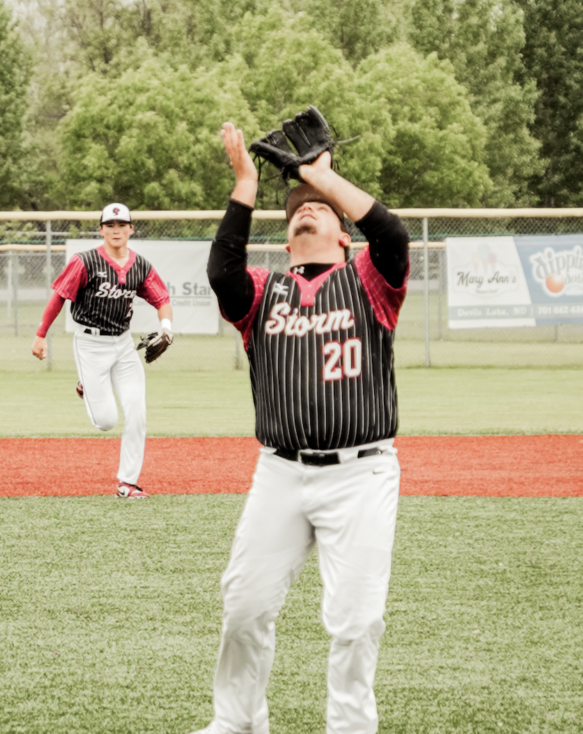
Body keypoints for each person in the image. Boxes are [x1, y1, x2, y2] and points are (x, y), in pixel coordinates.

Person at [193, 122, 409, 734]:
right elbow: (220, 271)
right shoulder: (264, 291)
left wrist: (321, 176)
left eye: (320, 209)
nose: (306, 211)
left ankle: (348, 728)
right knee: (244, 606)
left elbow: (391, 233)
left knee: (356, 618)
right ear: (285, 241)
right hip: (280, 472)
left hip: (362, 472)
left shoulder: (370, 281)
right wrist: (245, 185)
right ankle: (236, 723)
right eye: (296, 211)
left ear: (344, 233)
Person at [31, 202, 173, 499]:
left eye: (122, 225)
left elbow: (161, 298)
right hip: (90, 344)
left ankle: (127, 482)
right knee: (106, 421)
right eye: (110, 225)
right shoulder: (83, 262)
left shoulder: (141, 265)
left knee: (137, 410)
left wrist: (167, 328)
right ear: (101, 230)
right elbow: (59, 297)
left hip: (123, 344)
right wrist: (41, 334)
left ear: (131, 229)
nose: (116, 230)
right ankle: (87, 384)